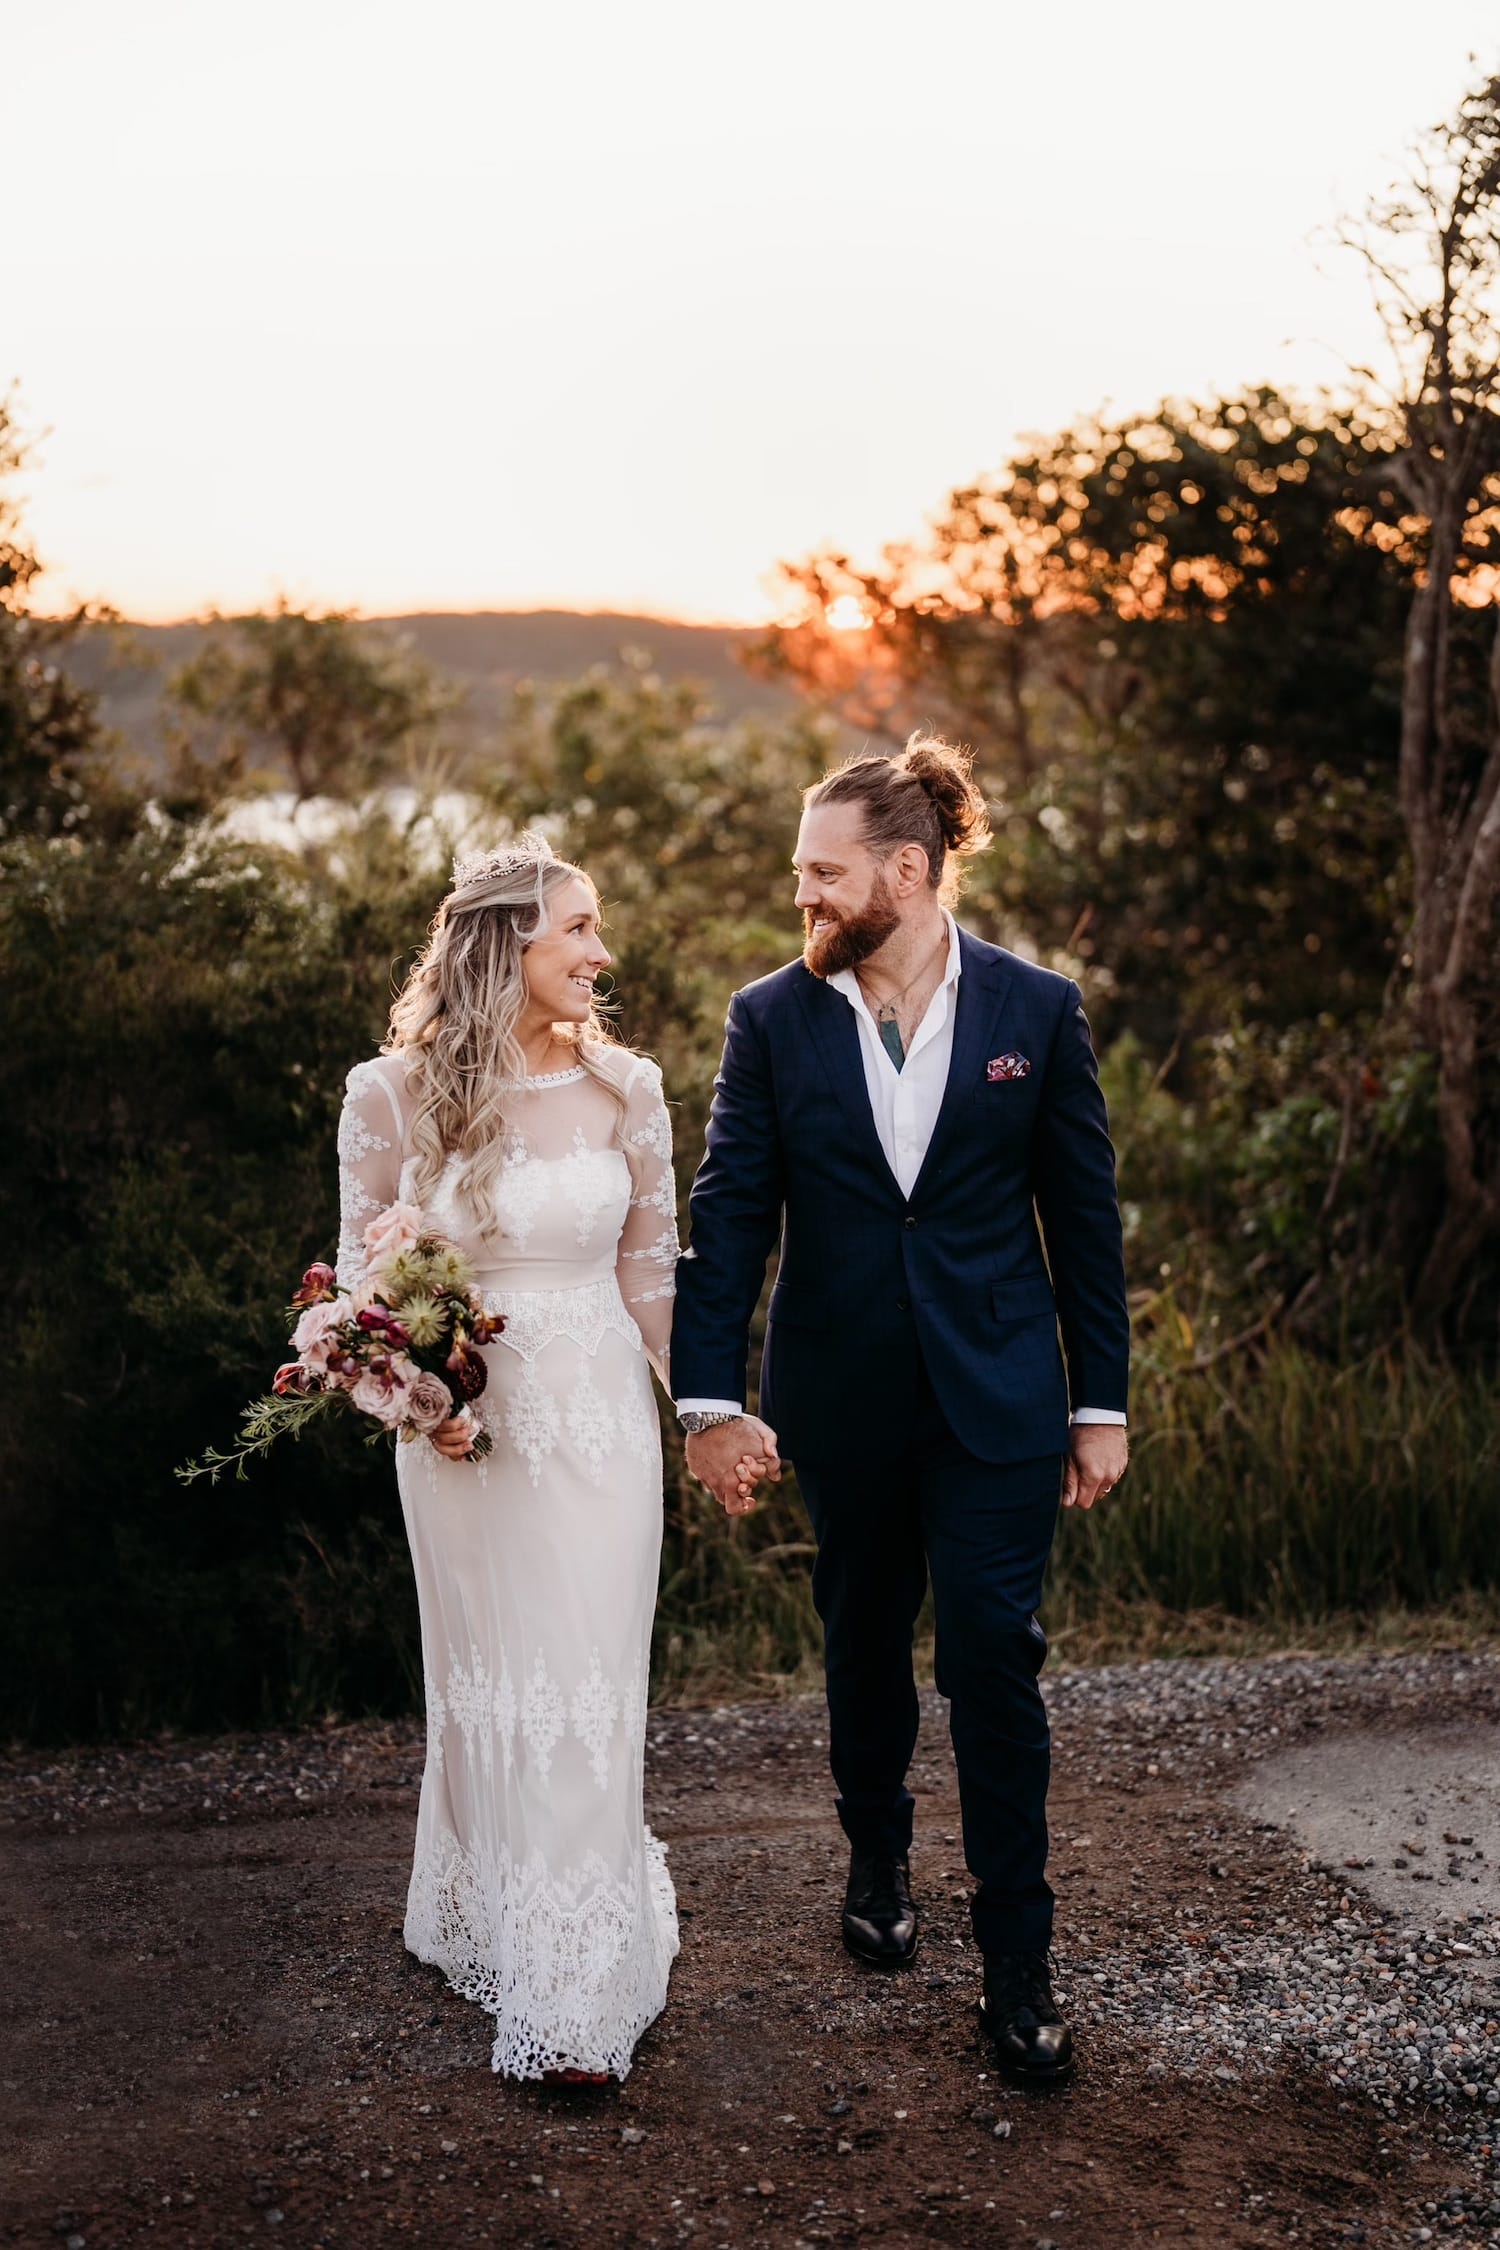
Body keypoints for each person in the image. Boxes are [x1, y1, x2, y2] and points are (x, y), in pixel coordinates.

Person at [671, 738, 1130, 2084]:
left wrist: (1100, 1402)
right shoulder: (772, 1017)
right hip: (843, 1394)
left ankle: (1020, 1966)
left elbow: (1084, 1224)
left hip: (1001, 1399)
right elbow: (729, 1214)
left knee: (994, 1655)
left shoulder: (1036, 1011)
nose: (801, 895)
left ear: (908, 870)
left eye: (824, 873)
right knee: (862, 1637)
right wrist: (708, 1398)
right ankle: (877, 1848)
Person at [334, 834, 762, 2083]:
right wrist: (415, 1403)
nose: (601, 953)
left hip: (597, 1426)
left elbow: (651, 1284)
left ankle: (574, 1989)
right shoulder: (389, 1095)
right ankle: (477, 1898)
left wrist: (707, 1414)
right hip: (464, 1437)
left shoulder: (631, 1089)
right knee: (484, 1678)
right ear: (504, 944)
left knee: (582, 1680)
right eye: (579, 929)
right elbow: (362, 1289)